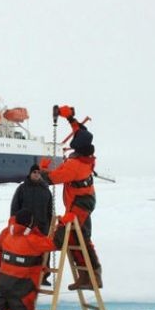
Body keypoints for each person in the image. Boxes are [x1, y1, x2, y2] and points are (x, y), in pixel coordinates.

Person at [39, 105, 102, 291]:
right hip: (83, 201)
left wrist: (43, 168)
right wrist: (70, 118)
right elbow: (81, 131)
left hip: (79, 205)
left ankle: (92, 276)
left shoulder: (74, 165)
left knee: (63, 237)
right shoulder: (88, 155)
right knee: (79, 238)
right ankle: (87, 276)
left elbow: (50, 179)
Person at [0, 209, 68, 310]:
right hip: (21, 289)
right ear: (30, 223)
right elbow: (56, 244)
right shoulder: (33, 240)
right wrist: (62, 225)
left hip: (2, 287)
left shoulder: (7, 235)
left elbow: (20, 255)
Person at [10, 164, 53, 236]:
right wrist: (14, 225)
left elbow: (49, 210)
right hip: (25, 229)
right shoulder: (22, 189)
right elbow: (15, 208)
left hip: (42, 229)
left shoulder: (45, 190)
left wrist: (49, 227)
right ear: (30, 174)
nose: (36, 174)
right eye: (34, 172)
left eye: (38, 172)